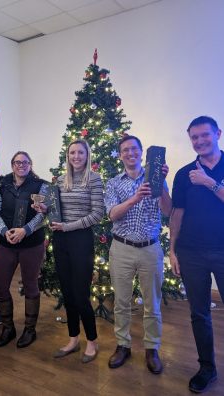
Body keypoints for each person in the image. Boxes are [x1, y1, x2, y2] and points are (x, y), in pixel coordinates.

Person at [105, 135, 171, 374]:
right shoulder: (113, 183)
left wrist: (162, 183)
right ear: (120, 155)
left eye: (134, 149)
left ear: (142, 152)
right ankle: (123, 345)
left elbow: (168, 210)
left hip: (150, 249)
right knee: (121, 302)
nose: (130, 153)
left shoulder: (156, 179)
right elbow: (112, 214)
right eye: (125, 150)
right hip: (121, 248)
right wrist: (135, 197)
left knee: (152, 303)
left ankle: (152, 348)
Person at [170, 116, 224, 393]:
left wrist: (208, 183)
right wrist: (172, 249)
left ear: (218, 133)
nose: (200, 141)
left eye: (205, 135)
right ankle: (207, 368)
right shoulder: (183, 174)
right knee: (199, 314)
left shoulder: (203, 174)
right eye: (194, 137)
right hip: (191, 253)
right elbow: (177, 213)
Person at [46, 139, 104, 363]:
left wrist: (68, 226)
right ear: (67, 156)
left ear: (87, 155)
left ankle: (92, 341)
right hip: (60, 240)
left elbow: (97, 214)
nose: (76, 156)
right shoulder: (60, 181)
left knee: (80, 295)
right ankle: (73, 339)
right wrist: (44, 209)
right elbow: (55, 210)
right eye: (72, 153)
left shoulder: (95, 179)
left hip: (81, 240)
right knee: (68, 293)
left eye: (81, 152)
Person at [0, 151, 47, 349]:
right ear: (12, 165)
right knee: (0, 287)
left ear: (30, 164)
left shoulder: (40, 186)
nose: (21, 165)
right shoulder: (2, 185)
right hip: (7, 243)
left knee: (31, 285)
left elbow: (41, 215)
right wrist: (5, 232)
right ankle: (8, 328)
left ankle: (30, 329)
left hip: (31, 244)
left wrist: (25, 230)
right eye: (17, 162)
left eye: (25, 162)